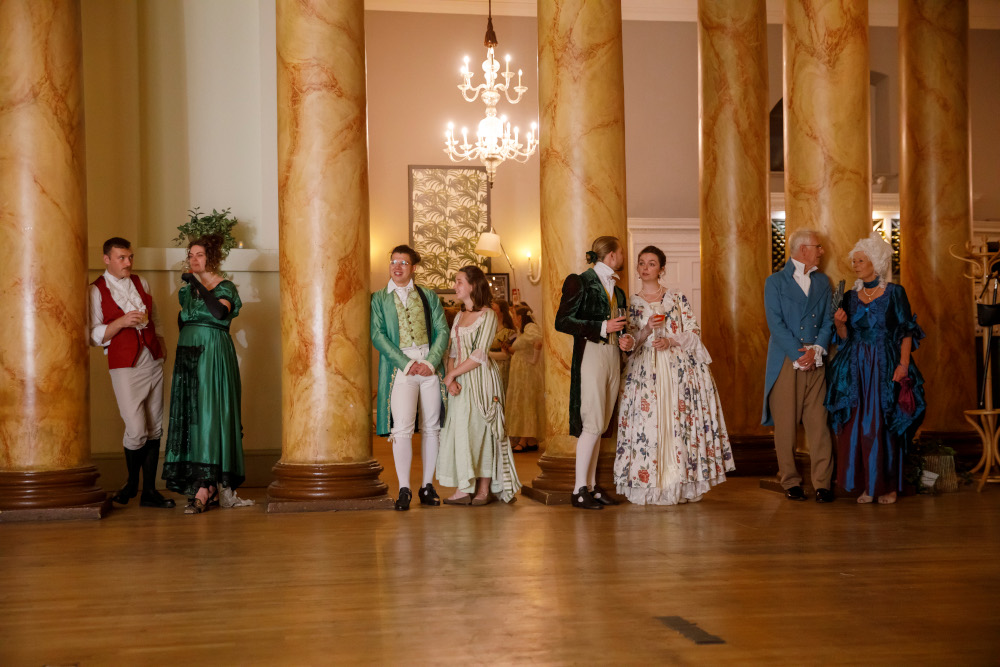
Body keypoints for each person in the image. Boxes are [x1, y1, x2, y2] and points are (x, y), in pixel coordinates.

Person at [616, 246, 735, 504]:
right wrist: (645, 330)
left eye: (651, 263)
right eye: (641, 263)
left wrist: (669, 341)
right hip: (644, 372)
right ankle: (649, 484)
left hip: (675, 369)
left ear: (661, 269)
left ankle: (679, 482)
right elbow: (630, 342)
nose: (645, 267)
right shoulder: (629, 304)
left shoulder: (677, 298)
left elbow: (693, 332)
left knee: (676, 421)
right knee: (649, 423)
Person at [826, 233, 926, 504]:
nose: (855, 264)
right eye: (854, 260)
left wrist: (904, 365)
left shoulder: (895, 293)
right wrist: (839, 324)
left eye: (861, 259)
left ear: (876, 262)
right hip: (856, 366)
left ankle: (888, 485)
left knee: (885, 424)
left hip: (886, 363)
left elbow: (906, 332)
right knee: (857, 424)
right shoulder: (849, 296)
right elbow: (846, 338)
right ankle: (867, 485)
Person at [162, 234, 245, 514]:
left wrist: (197, 281)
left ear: (211, 258)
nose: (193, 260)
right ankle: (201, 483)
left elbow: (219, 315)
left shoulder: (226, 287)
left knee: (211, 412)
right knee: (193, 414)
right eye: (191, 255)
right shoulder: (185, 292)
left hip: (214, 356)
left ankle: (207, 485)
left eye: (199, 255)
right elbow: (183, 320)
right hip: (188, 355)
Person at [89, 237, 175, 509]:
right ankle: (130, 484)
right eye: (121, 258)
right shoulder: (95, 290)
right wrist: (122, 322)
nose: (128, 263)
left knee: (155, 427)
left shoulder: (142, 282)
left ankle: (149, 492)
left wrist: (160, 342)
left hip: (152, 358)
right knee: (137, 429)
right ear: (107, 259)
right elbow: (93, 335)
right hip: (125, 364)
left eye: (130, 257)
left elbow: (156, 316)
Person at [370, 244, 449, 511]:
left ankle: (427, 485)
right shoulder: (379, 298)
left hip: (429, 367)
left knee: (432, 427)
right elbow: (377, 336)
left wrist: (430, 362)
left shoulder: (428, 295)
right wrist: (406, 363)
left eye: (403, 262)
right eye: (393, 261)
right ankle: (404, 487)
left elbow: (442, 330)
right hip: (400, 369)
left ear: (413, 268)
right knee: (401, 427)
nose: (397, 266)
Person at [554, 236, 629, 510]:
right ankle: (579, 490)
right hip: (592, 354)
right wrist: (600, 327)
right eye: (620, 251)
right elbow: (562, 321)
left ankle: (593, 487)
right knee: (592, 424)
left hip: (612, 357)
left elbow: (621, 327)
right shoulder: (580, 281)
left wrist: (625, 340)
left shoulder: (618, 291)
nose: (622, 255)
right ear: (610, 255)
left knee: (601, 425)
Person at [436, 266, 521, 505]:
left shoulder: (488, 315)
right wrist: (451, 377)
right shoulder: (460, 316)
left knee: (483, 431)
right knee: (460, 432)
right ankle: (463, 488)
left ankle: (484, 488)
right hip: (460, 381)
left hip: (481, 380)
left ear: (473, 285)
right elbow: (452, 351)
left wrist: (451, 375)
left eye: (459, 281)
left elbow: (480, 354)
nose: (455, 286)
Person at [762, 229, 835, 503]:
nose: (822, 251)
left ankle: (823, 484)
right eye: (818, 247)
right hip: (786, 361)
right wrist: (797, 353)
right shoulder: (775, 282)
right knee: (785, 426)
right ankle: (790, 481)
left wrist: (816, 349)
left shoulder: (823, 281)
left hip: (815, 360)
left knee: (819, 424)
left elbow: (828, 320)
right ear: (803, 249)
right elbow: (775, 324)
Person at [505, 304, 544, 452]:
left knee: (526, 403)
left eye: (514, 316)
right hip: (521, 371)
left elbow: (537, 339)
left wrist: (515, 346)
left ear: (520, 317)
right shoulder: (522, 330)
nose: (513, 319)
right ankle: (530, 439)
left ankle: (524, 439)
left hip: (527, 372)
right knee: (523, 402)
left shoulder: (531, 328)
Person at [488, 299, 516, 391]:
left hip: (501, 369)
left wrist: (487, 354)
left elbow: (506, 355)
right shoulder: (488, 329)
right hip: (488, 367)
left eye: (494, 310)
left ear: (502, 312)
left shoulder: (509, 332)